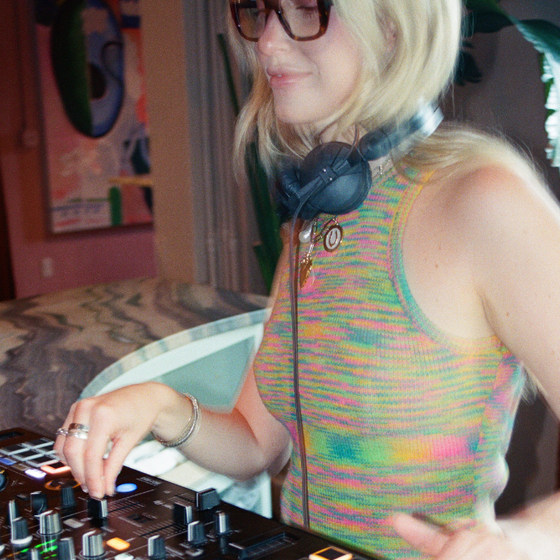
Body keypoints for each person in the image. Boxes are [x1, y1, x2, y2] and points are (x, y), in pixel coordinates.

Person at [55, 1, 560, 559]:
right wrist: (159, 405)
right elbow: (258, 444)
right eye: (260, 10)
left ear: (393, 24)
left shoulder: (484, 200)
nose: (268, 43)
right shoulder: (316, 217)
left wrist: (522, 540)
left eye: (305, 8)